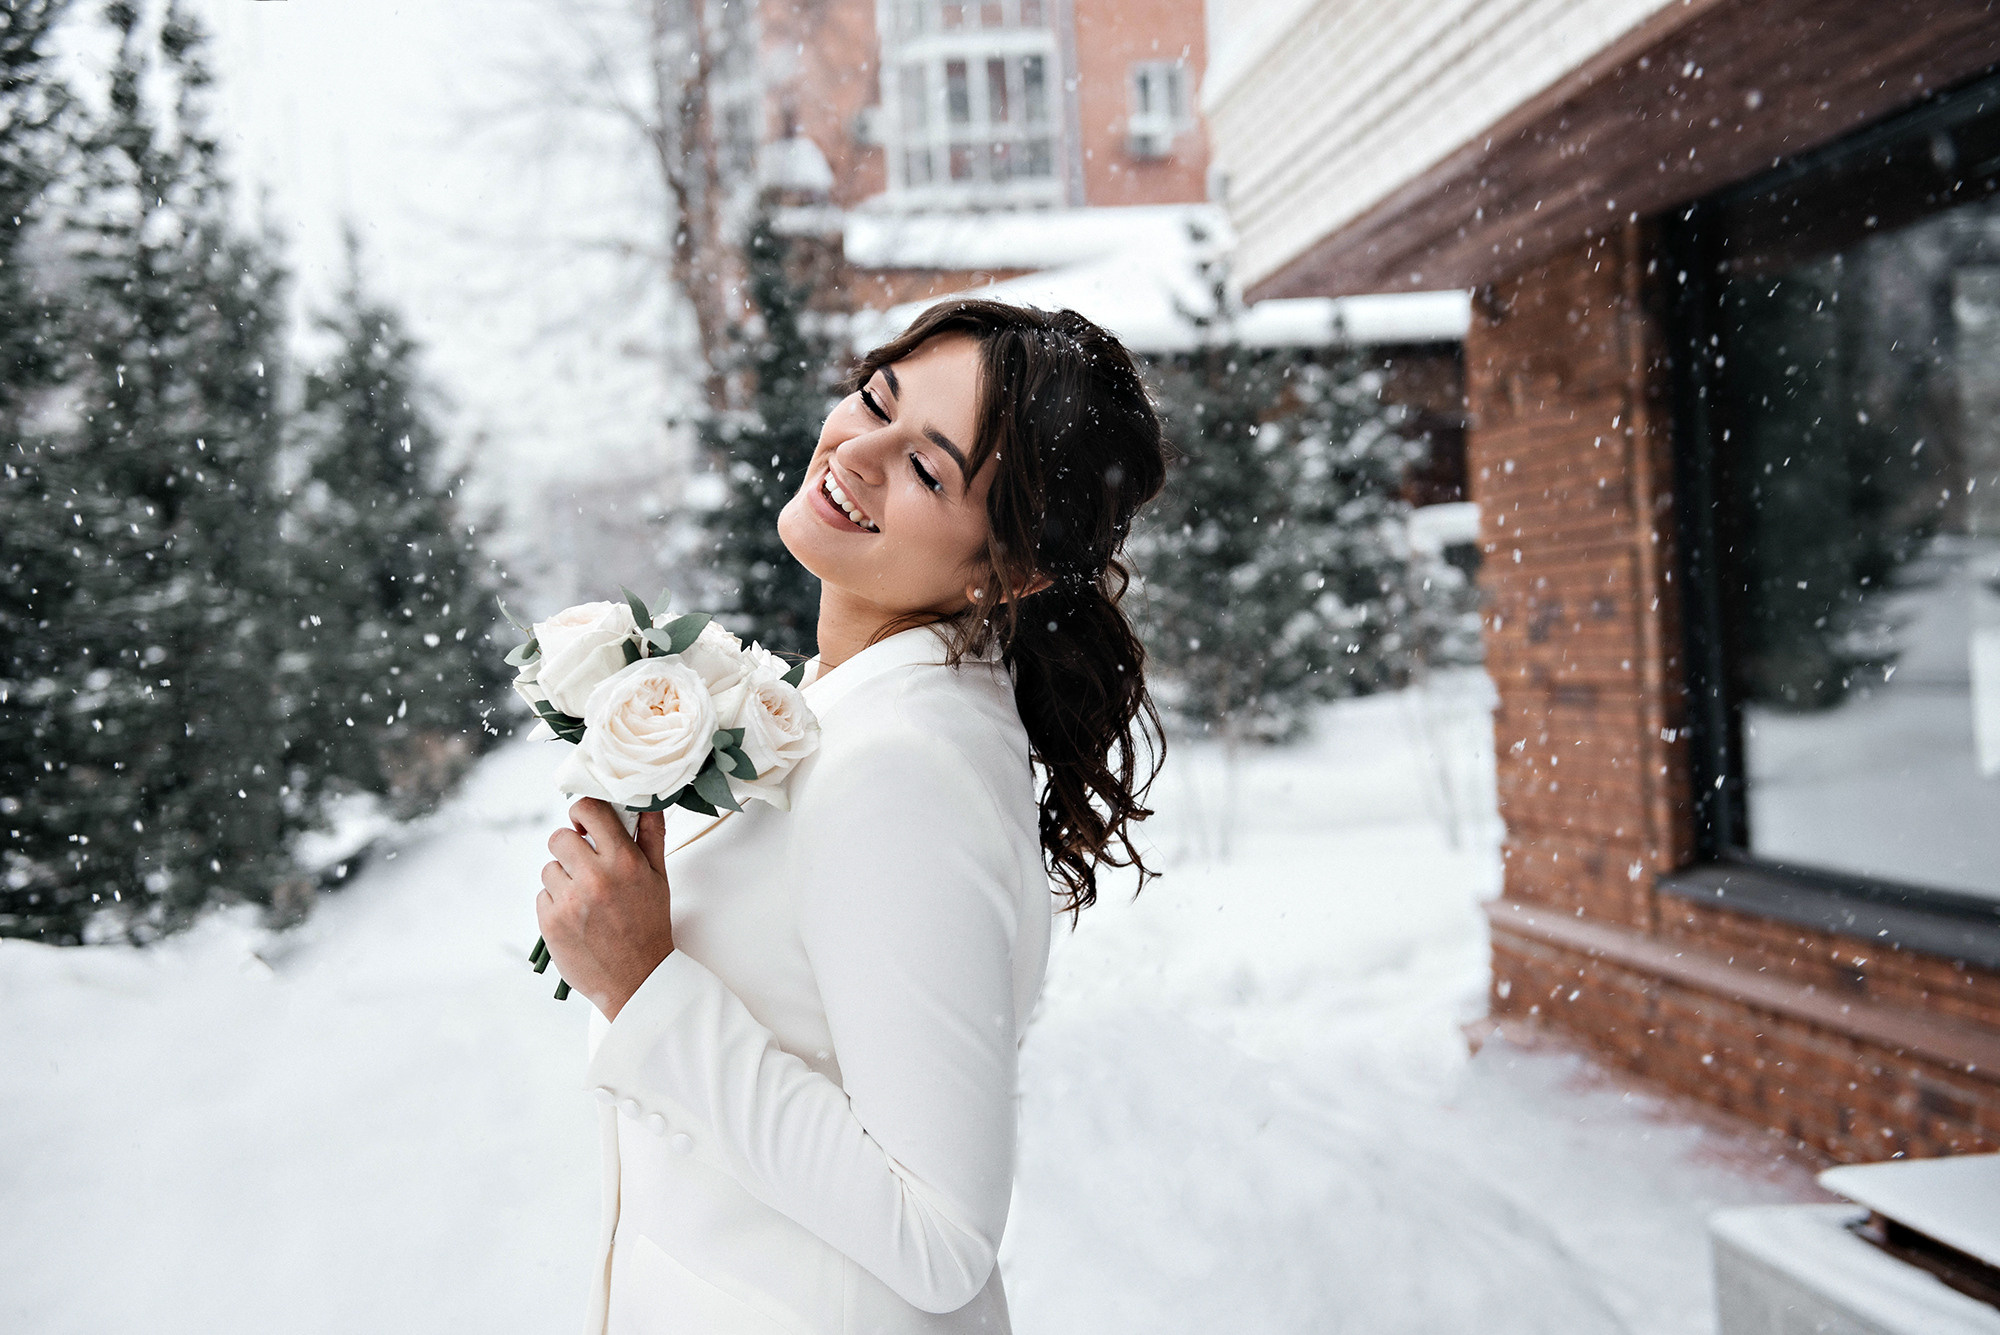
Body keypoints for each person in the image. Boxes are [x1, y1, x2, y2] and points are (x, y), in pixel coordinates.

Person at [535, 298, 1168, 1334]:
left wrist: (645, 988)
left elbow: (942, 1237)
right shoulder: (859, 702)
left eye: (927, 468)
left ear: (1005, 570)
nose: (857, 451)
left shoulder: (904, 764)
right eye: (875, 396)